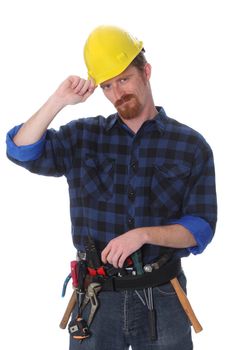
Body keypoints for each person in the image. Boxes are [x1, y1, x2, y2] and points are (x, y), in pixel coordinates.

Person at [6, 25, 217, 350]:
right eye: (107, 85)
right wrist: (58, 100)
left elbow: (201, 227)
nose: (117, 92)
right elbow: (21, 150)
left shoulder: (190, 145)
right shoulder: (84, 137)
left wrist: (144, 234)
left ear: (145, 72)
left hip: (163, 294)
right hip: (96, 297)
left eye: (124, 79)